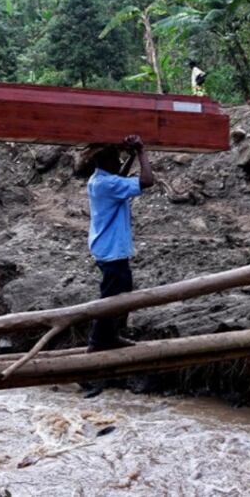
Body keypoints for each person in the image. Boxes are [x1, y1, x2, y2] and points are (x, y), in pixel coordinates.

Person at [85, 136, 154, 354]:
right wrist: (142, 152)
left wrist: (131, 156)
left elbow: (119, 177)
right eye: (116, 159)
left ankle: (110, 336)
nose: (118, 163)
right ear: (107, 162)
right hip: (112, 250)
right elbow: (147, 181)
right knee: (113, 298)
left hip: (106, 248)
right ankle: (98, 343)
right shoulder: (107, 184)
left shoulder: (99, 179)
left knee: (119, 294)